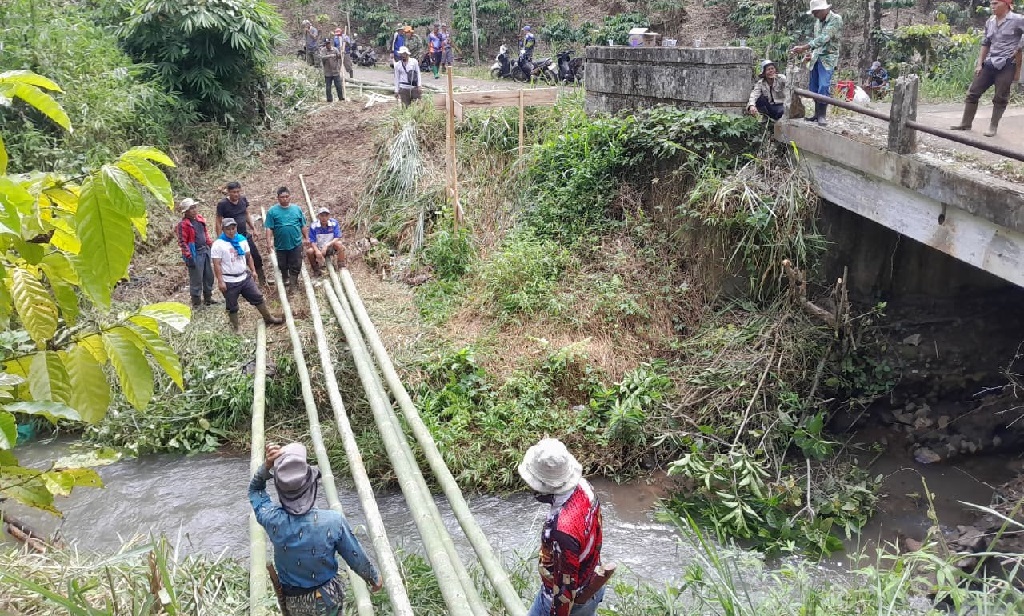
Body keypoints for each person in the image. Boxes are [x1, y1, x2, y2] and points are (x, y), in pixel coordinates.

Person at [250, 443, 383, 615]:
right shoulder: (333, 521)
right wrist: (373, 578)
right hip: (328, 597)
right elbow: (354, 555)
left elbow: (255, 491)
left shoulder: (272, 519)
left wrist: (266, 466)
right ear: (312, 486)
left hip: (295, 602)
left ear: (280, 490)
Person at [519, 438, 610, 616]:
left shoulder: (561, 530)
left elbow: (564, 588)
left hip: (570, 600)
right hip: (592, 583)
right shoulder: (585, 487)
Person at [950, 0, 1024, 137]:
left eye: (996, 3)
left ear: (1006, 5)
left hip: (1007, 64)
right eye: (991, 4)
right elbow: (986, 43)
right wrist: (979, 63)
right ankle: (965, 123)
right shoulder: (990, 21)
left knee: (1000, 96)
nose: (992, 7)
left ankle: (993, 126)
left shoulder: (1018, 19)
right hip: (990, 62)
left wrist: (1019, 47)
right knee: (973, 92)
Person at [211, 218, 283, 332]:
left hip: (244, 277)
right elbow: (217, 264)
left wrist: (253, 271)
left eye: (233, 228)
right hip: (229, 280)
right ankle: (236, 328)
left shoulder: (242, 240)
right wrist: (220, 281)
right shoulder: (218, 244)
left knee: (257, 297)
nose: (231, 231)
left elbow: (248, 257)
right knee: (232, 306)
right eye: (228, 229)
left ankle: (268, 318)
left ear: (236, 228)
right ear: (223, 229)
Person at [790, 0, 843, 124]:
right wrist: (810, 53)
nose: (814, 15)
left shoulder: (835, 19)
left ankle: (822, 115)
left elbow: (824, 38)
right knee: (813, 87)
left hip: (828, 58)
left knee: (824, 86)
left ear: (823, 10)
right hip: (816, 57)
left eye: (815, 12)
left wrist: (803, 47)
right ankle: (816, 113)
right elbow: (816, 42)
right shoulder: (817, 23)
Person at [216, 181, 268, 287]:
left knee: (255, 257)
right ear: (228, 192)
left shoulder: (243, 200)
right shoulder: (223, 204)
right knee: (237, 260)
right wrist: (219, 239)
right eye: (234, 192)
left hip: (244, 235)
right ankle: (242, 284)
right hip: (231, 238)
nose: (236, 194)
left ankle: (262, 280)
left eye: (238, 192)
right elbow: (218, 221)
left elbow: (247, 214)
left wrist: (254, 228)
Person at [175, 197, 219, 308]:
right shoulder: (183, 224)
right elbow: (182, 241)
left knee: (208, 276)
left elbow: (205, 233)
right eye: (191, 208)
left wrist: (210, 244)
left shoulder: (199, 219)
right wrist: (189, 256)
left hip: (205, 251)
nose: (194, 210)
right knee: (196, 279)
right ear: (186, 212)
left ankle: (208, 298)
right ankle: (197, 303)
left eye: (195, 207)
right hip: (195, 254)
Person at [264, 186, 310, 292]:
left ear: (290, 197)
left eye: (286, 196)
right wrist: (268, 242)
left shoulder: (297, 209)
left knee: (296, 264)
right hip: (280, 245)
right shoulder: (272, 211)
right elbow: (269, 228)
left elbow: (302, 225)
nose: (284, 199)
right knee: (282, 264)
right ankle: (285, 277)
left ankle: (293, 284)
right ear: (278, 198)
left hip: (296, 243)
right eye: (282, 197)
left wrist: (307, 237)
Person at [307, 207, 346, 274]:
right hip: (319, 247)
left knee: (340, 244)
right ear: (318, 216)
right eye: (322, 216)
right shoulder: (314, 226)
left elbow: (337, 237)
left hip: (330, 247)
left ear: (329, 216)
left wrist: (327, 245)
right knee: (310, 251)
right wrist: (317, 251)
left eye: (326, 215)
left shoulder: (334, 223)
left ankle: (341, 266)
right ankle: (316, 269)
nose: (324, 218)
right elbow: (312, 241)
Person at [321, 38, 345, 102]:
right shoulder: (323, 50)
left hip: (335, 71)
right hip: (327, 72)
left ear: (330, 43)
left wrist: (342, 53)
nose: (327, 45)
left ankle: (341, 98)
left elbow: (339, 57)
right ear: (325, 44)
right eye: (326, 44)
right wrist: (329, 56)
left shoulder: (335, 49)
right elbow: (322, 57)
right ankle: (329, 100)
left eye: (328, 43)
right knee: (328, 88)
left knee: (339, 86)